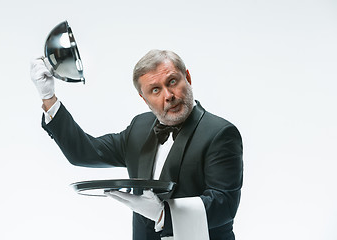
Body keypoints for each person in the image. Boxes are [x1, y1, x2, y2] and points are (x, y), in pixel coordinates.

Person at [30, 50, 243, 240]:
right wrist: (48, 98)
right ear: (144, 98)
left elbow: (224, 204)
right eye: (155, 90)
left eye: (172, 82)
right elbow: (85, 152)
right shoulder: (140, 127)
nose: (168, 96)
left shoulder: (220, 133)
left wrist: (163, 214)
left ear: (187, 77)